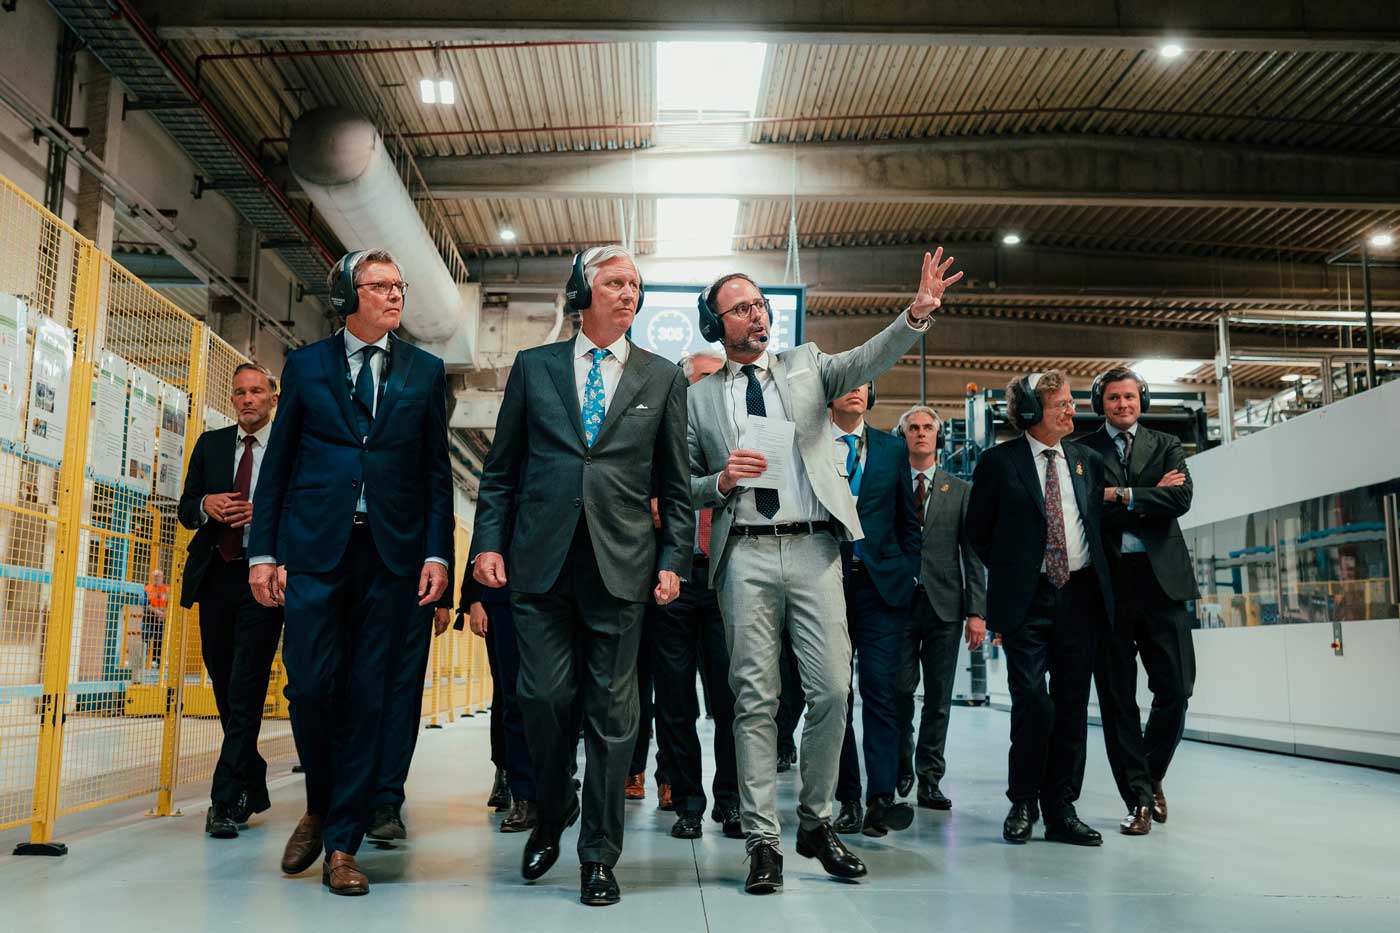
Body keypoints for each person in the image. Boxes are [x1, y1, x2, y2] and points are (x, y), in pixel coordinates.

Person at [687, 248, 962, 894]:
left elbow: (867, 359)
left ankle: (816, 820)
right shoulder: (697, 399)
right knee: (755, 700)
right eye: (742, 308)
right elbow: (683, 483)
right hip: (744, 552)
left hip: (816, 549)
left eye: (760, 304)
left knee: (834, 689)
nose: (758, 315)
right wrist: (720, 480)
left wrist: (915, 315)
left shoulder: (806, 365)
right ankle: (762, 840)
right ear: (716, 325)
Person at [470, 245, 692, 908]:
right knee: (539, 696)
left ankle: (598, 853)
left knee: (613, 716)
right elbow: (500, 470)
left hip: (621, 566)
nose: (629, 293)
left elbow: (676, 486)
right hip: (539, 563)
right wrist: (487, 546)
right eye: (616, 281)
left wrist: (673, 560)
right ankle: (552, 803)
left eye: (636, 285)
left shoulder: (661, 377)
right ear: (583, 290)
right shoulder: (534, 367)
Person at [248, 248, 454, 896]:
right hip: (315, 550)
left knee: (370, 698)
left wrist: (437, 554)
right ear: (348, 294)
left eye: (400, 286)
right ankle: (320, 802)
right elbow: (279, 463)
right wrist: (263, 552)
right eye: (381, 285)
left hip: (390, 557)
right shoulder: (306, 366)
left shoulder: (425, 371)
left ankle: (342, 844)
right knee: (310, 687)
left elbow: (436, 473)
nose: (395, 295)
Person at [966, 371, 1114, 847]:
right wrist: (1016, 570)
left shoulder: (1087, 461)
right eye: (1061, 405)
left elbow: (1096, 525)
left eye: (1071, 402)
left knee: (1071, 705)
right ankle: (1023, 801)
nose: (1072, 411)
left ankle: (1061, 808)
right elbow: (978, 531)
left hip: (1080, 596)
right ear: (1030, 412)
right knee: (1031, 700)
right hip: (1026, 601)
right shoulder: (998, 463)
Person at [1084, 367, 1197, 835]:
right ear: (1101, 402)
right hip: (1108, 587)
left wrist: (1123, 495)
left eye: (1129, 397)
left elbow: (1181, 498)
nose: (1122, 405)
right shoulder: (1083, 450)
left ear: (1141, 400)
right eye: (1113, 398)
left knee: (1177, 690)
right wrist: (1150, 496)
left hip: (1162, 584)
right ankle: (1139, 799)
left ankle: (1150, 775)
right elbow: (1088, 507)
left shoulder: (1166, 444)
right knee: (1117, 700)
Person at [177, 363, 284, 839]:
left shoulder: (289, 447)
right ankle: (251, 777)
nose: (247, 399)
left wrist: (266, 513)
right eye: (240, 392)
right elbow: (185, 508)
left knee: (246, 685)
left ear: (273, 398)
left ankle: (224, 800)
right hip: (216, 576)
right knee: (224, 681)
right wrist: (207, 505)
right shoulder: (211, 445)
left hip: (263, 578)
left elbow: (307, 507)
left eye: (256, 391)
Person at [651, 350, 742, 841]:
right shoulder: (659, 437)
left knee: (731, 700)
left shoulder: (737, 434)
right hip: (674, 579)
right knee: (675, 700)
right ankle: (687, 803)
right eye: (703, 378)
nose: (711, 386)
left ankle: (731, 801)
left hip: (725, 578)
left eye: (717, 378)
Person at [830, 385, 922, 837]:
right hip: (826, 584)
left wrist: (908, 569)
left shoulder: (891, 449)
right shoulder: (811, 442)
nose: (855, 390)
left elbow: (908, 519)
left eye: (863, 384)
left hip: (882, 587)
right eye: (846, 383)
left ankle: (881, 799)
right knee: (835, 695)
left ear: (871, 395)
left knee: (881, 689)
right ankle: (847, 798)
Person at [895, 405, 986, 812]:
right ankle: (901, 764)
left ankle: (930, 778)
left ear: (938, 435)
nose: (920, 433)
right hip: (897, 606)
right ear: (903, 436)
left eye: (927, 427)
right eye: (912, 428)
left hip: (945, 608)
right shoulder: (892, 486)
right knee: (898, 693)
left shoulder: (960, 490)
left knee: (939, 699)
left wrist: (976, 612)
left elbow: (973, 555)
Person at [365, 598, 455, 842]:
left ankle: (386, 801)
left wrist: (443, 601)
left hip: (414, 591)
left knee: (402, 694)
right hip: (346, 585)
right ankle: (345, 795)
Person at [460, 569, 540, 833]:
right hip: (503, 595)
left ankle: (552, 780)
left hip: (555, 593)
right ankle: (512, 780)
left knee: (552, 695)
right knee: (509, 694)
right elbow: (483, 548)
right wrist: (474, 599)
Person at [141, 569, 169, 675]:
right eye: (155, 576)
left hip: (161, 619)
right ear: (152, 577)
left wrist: (164, 614)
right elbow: (145, 603)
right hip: (149, 617)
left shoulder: (167, 590)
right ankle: (143, 661)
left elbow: (170, 603)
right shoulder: (147, 588)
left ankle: (157, 661)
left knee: (160, 640)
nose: (157, 578)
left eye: (159, 576)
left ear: (162, 577)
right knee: (145, 638)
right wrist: (157, 611)